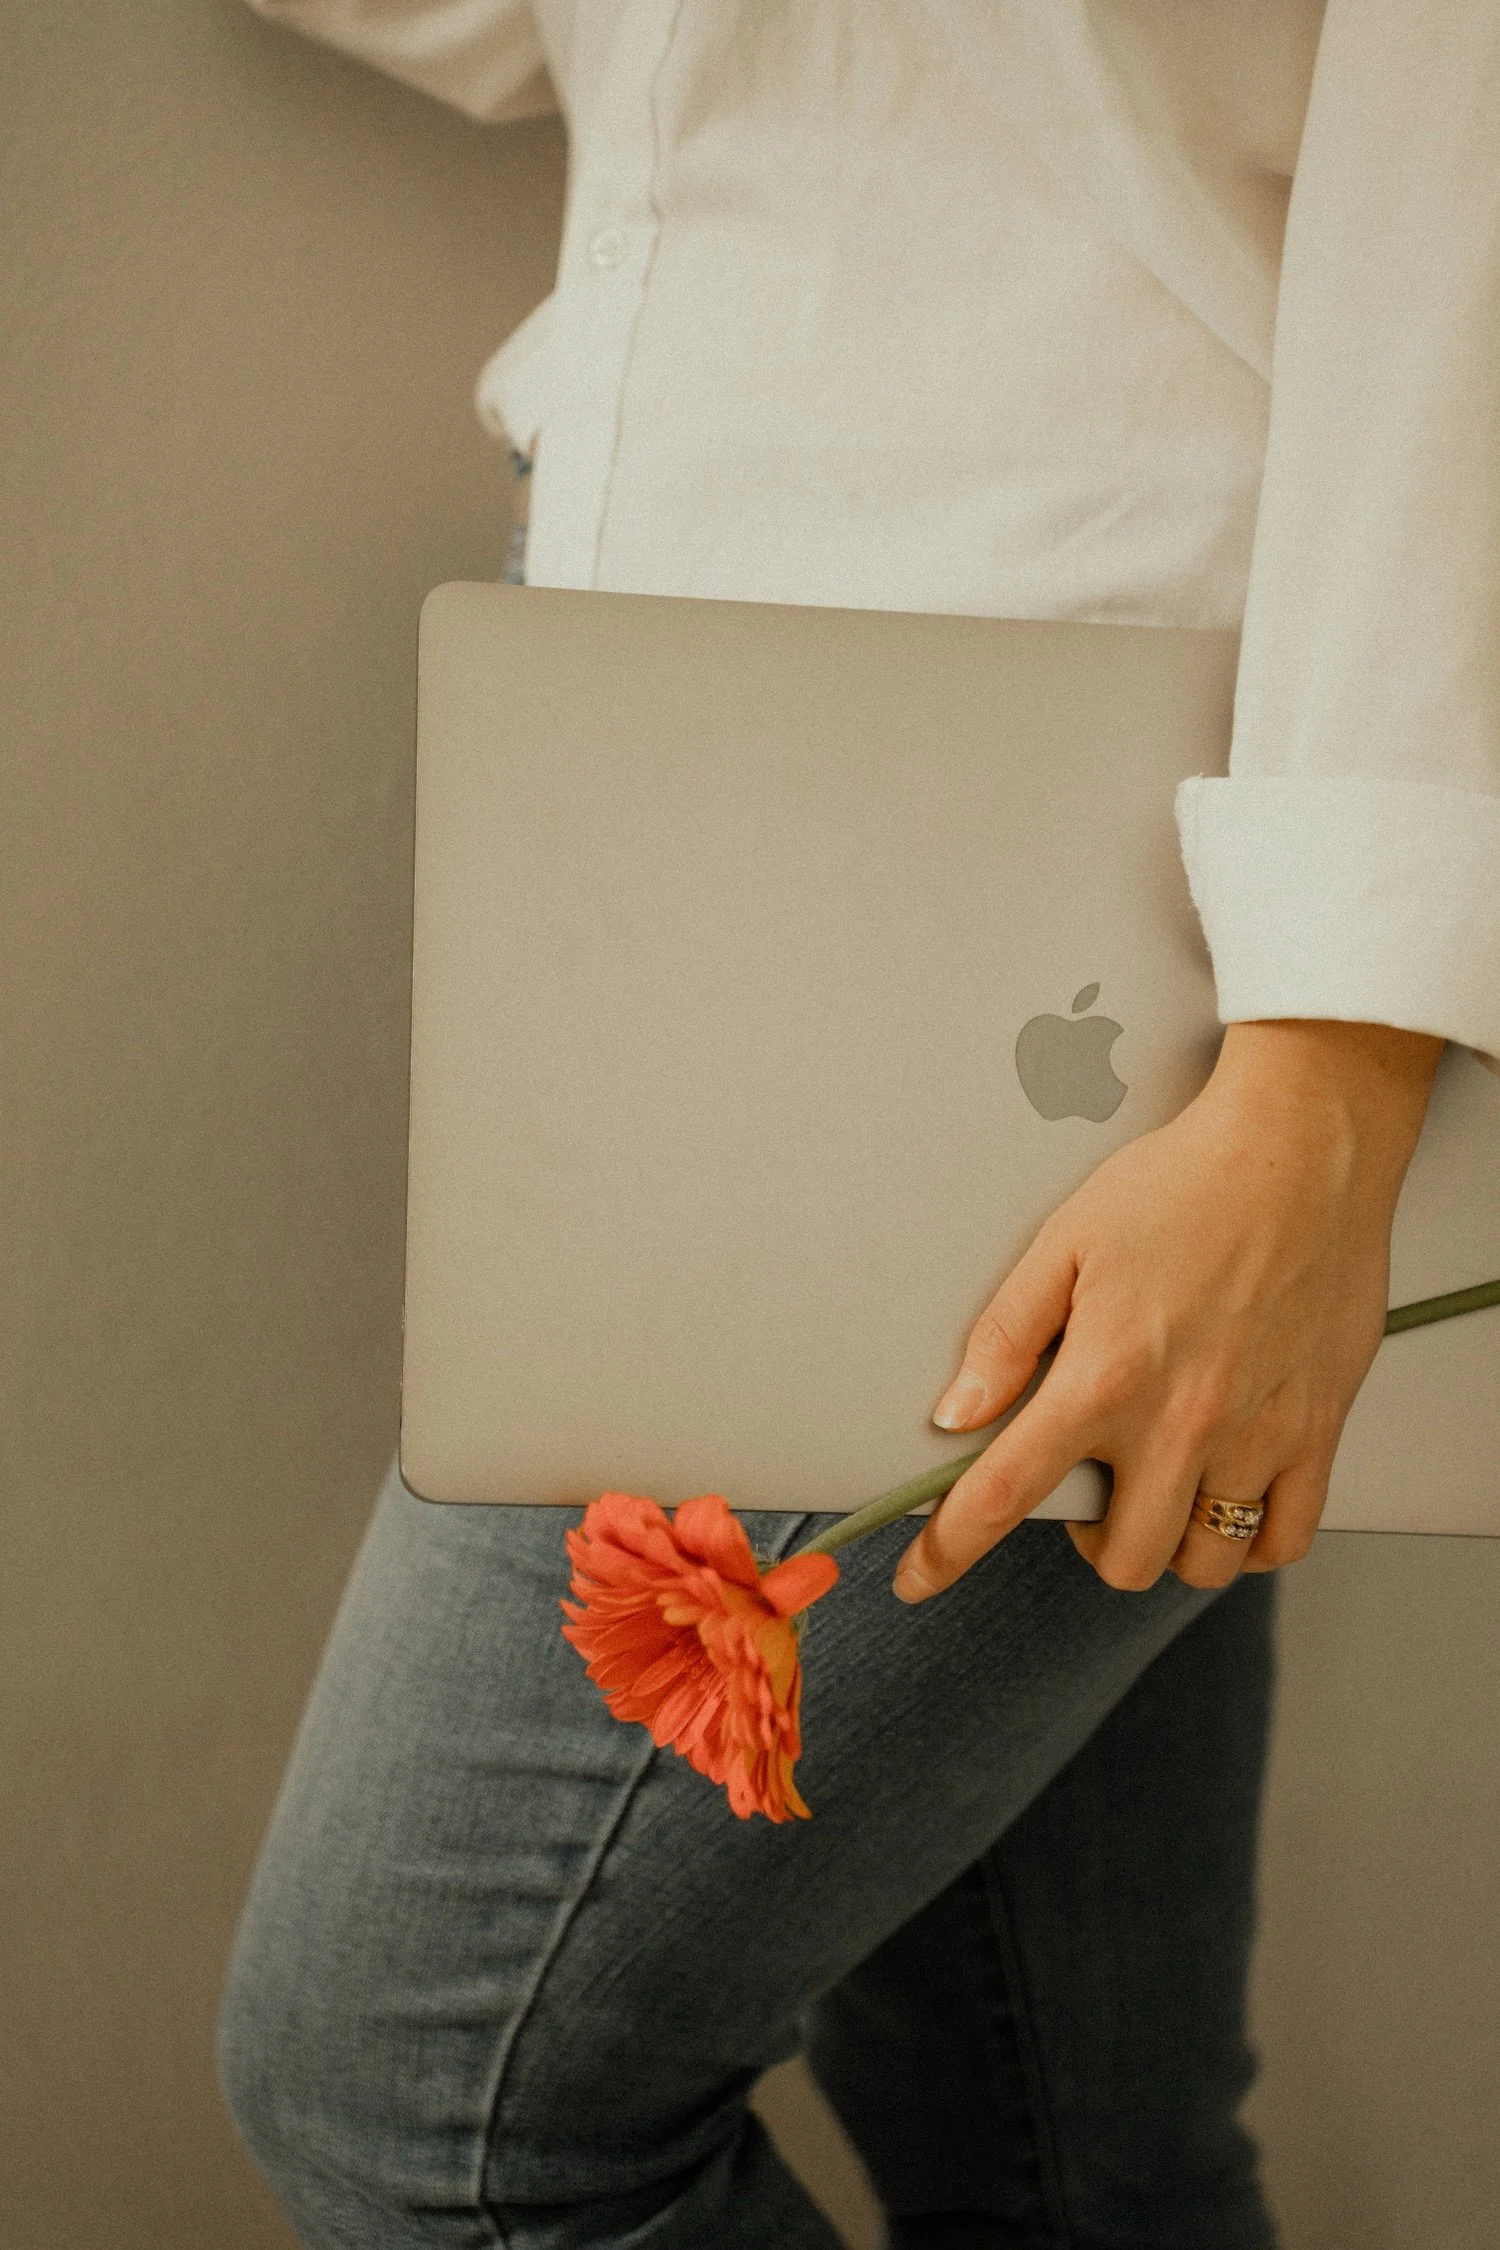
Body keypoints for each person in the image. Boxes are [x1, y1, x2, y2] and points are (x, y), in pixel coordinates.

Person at [217, 6, 1500, 2246]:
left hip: (1094, 848)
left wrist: (1329, 1067)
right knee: (1072, 2166)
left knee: (431, 2101)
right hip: (693, 736)